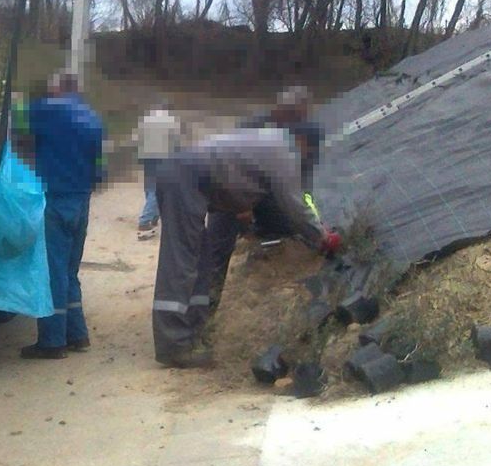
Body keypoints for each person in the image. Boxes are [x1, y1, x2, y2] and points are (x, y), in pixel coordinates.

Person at [151, 125, 341, 368]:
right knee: (182, 259)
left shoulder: (269, 140)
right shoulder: (284, 152)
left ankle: (193, 333)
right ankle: (173, 346)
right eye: (310, 153)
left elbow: (238, 174)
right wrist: (322, 236)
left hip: (190, 176)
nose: (306, 160)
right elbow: (294, 205)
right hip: (186, 177)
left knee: (200, 260)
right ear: (304, 142)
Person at [205, 87, 325, 312]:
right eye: (294, 113)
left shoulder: (304, 135)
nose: (299, 118)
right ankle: (204, 315)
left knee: (282, 229)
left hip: (262, 194)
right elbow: (230, 168)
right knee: (217, 253)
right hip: (230, 194)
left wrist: (314, 220)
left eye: (302, 114)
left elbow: (301, 186)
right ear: (282, 110)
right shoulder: (253, 127)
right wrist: (243, 207)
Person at [19, 71, 105, 359]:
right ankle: (77, 334)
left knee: (51, 273)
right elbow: (100, 168)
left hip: (55, 199)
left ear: (57, 89)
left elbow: (13, 121)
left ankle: (52, 341)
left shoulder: (48, 110)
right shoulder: (92, 117)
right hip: (81, 200)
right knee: (69, 271)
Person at [136, 104, 183, 240]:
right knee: (157, 189)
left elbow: (138, 138)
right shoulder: (171, 120)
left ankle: (154, 215)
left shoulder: (145, 119)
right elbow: (176, 140)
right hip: (163, 156)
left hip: (146, 156)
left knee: (149, 186)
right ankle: (145, 220)